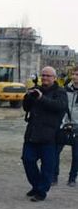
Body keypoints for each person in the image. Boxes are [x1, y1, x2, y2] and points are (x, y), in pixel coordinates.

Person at [21, 66, 68, 201]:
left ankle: (41, 192)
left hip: (50, 135)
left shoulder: (60, 92)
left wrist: (41, 98)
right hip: (32, 133)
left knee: (47, 166)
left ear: (54, 78)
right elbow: (26, 107)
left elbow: (59, 106)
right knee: (27, 160)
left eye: (48, 76)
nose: (45, 78)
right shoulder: (37, 90)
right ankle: (36, 186)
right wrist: (28, 96)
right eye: (43, 75)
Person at [55, 66, 78, 186]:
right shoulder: (65, 90)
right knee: (55, 152)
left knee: (76, 156)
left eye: (77, 74)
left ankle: (72, 179)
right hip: (64, 125)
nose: (75, 77)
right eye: (74, 74)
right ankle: (54, 177)